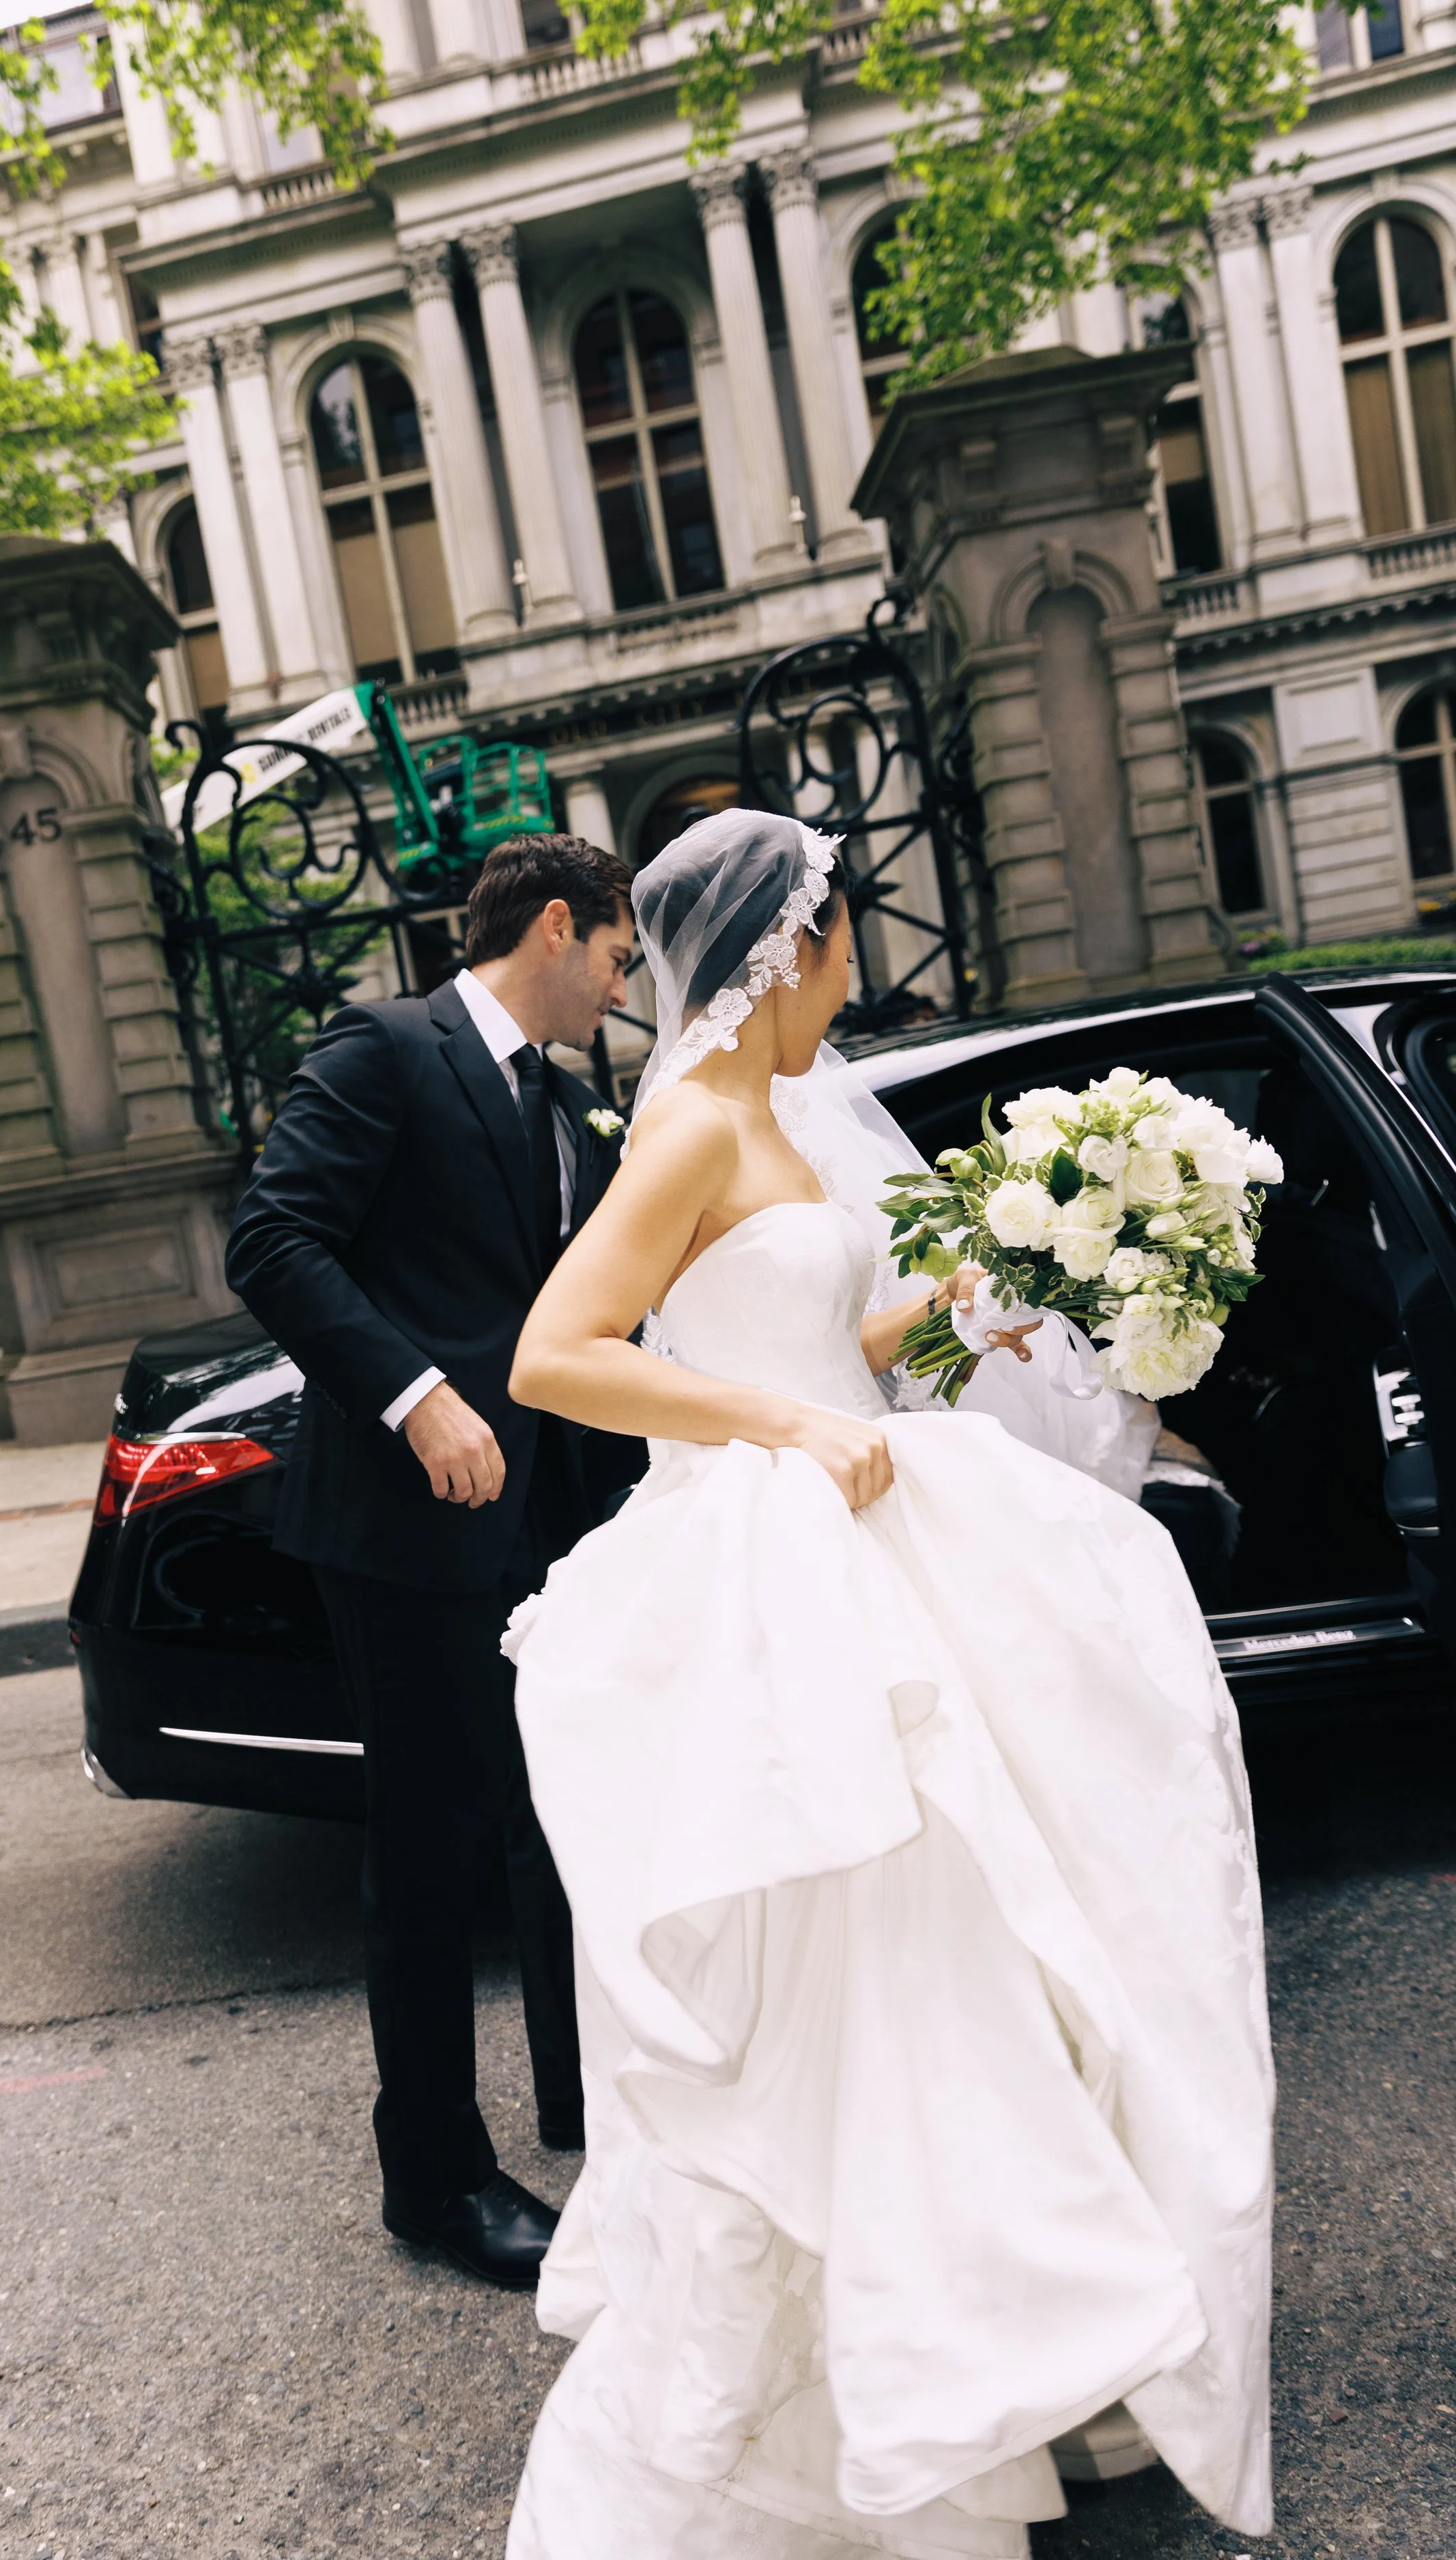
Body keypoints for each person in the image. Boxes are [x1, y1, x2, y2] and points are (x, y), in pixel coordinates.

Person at [500, 810, 1274, 2557]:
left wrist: (951, 1321)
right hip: (766, 1571)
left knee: (956, 1956)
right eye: (842, 937)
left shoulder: (772, 1121)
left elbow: (791, 1331)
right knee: (842, 1963)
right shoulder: (690, 1123)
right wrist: (780, 1421)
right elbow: (561, 1357)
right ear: (796, 943)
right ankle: (828, 2406)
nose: (849, 968)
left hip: (860, 1532)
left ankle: (960, 2362)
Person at [225, 831, 639, 2293]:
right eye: (613, 953)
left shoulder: (563, 1094)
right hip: (406, 1527)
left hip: (536, 1518)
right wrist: (415, 1394)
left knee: (550, 1815)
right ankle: (435, 2181)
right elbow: (273, 1243)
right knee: (428, 1851)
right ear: (549, 926)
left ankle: (579, 2109)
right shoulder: (386, 1047)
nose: (620, 981)